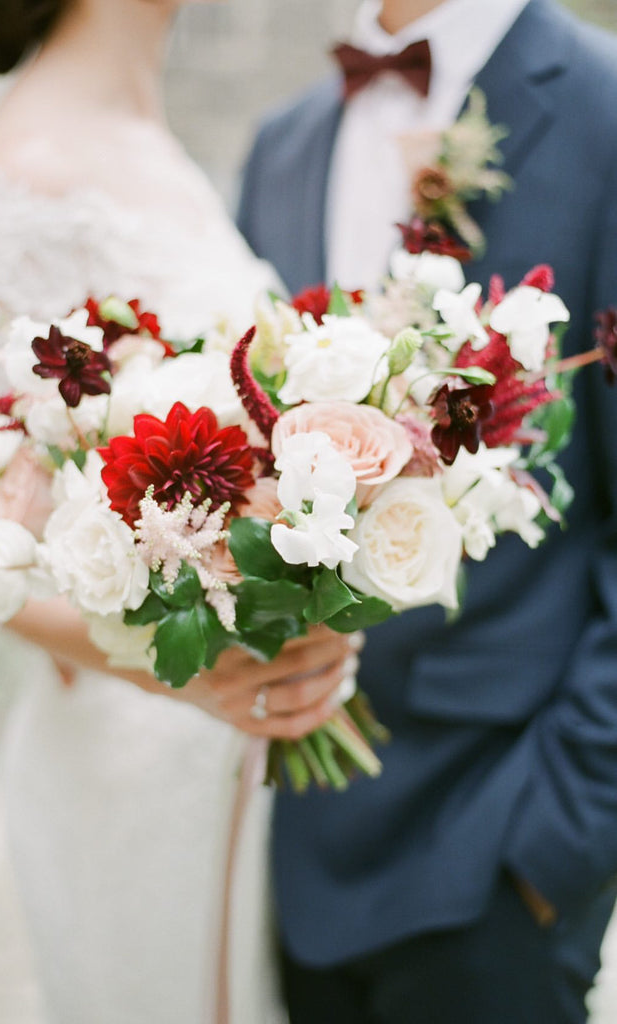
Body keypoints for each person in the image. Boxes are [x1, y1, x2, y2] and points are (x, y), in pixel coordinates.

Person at [0, 1, 353, 1021]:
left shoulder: (148, 141)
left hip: (228, 751)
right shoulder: (30, 167)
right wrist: (186, 677)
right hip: (134, 750)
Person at [237, 0, 617, 1020]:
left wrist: (557, 847)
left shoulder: (603, 109)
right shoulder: (281, 148)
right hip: (296, 847)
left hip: (500, 855)